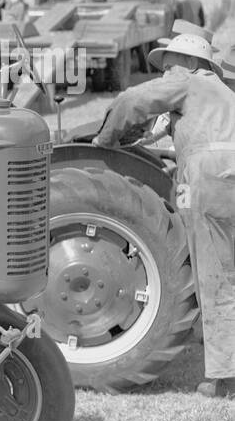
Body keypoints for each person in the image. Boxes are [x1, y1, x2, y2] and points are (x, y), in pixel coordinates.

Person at [94, 22, 235, 399]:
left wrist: (104, 140)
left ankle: (223, 378)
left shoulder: (187, 81)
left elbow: (132, 101)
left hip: (211, 176)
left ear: (190, 61)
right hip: (227, 174)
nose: (165, 73)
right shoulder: (219, 93)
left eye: (169, 66)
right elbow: (160, 127)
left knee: (214, 274)